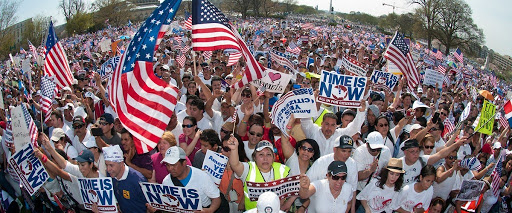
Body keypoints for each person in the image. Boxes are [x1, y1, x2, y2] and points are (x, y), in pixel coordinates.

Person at [226, 137, 290, 210]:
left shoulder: (282, 170)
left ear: (273, 157)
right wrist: (234, 149)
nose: (265, 158)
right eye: (261, 155)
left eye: (268, 154)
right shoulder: (248, 168)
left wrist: (287, 204)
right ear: (254, 157)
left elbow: (295, 189)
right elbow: (235, 165)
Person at [160, 146, 222, 212]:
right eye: (167, 165)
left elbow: (216, 198)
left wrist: (209, 210)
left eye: (174, 165)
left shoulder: (202, 176)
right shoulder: (167, 181)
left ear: (184, 163)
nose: (170, 168)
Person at [300, 101, 366, 156]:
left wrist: (361, 112)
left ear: (336, 126)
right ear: (321, 124)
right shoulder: (313, 131)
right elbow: (305, 120)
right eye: (327, 124)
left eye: (332, 125)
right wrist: (310, 102)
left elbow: (354, 127)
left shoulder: (340, 134)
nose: (329, 128)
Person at [103, 145, 148, 213]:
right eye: (106, 165)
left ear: (121, 164)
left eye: (111, 165)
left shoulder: (138, 180)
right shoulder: (110, 175)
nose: (108, 169)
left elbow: (148, 205)